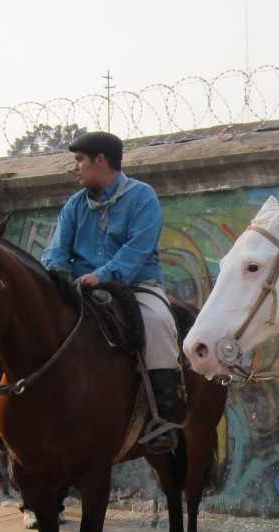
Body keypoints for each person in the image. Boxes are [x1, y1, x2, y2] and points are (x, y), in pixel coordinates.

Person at [41, 131, 181, 454]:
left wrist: (101, 276)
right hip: (80, 289)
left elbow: (138, 249)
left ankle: (162, 418)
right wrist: (60, 277)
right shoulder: (75, 205)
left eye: (79, 160)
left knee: (159, 322)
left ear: (100, 161)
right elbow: (56, 250)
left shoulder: (143, 198)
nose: (76, 168)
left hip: (136, 286)